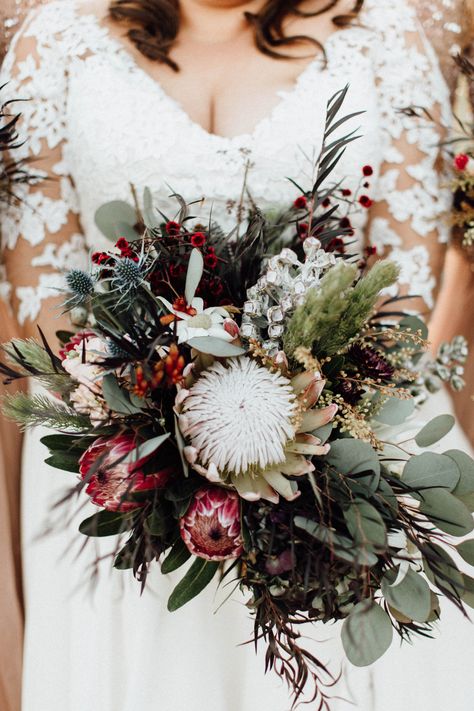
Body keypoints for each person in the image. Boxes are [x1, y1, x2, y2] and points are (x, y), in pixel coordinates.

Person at [0, 0, 473, 709]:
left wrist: (304, 421)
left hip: (335, 479)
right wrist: (156, 420)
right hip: (122, 474)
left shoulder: (389, 37)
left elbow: (399, 309)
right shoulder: (54, 43)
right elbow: (46, 315)